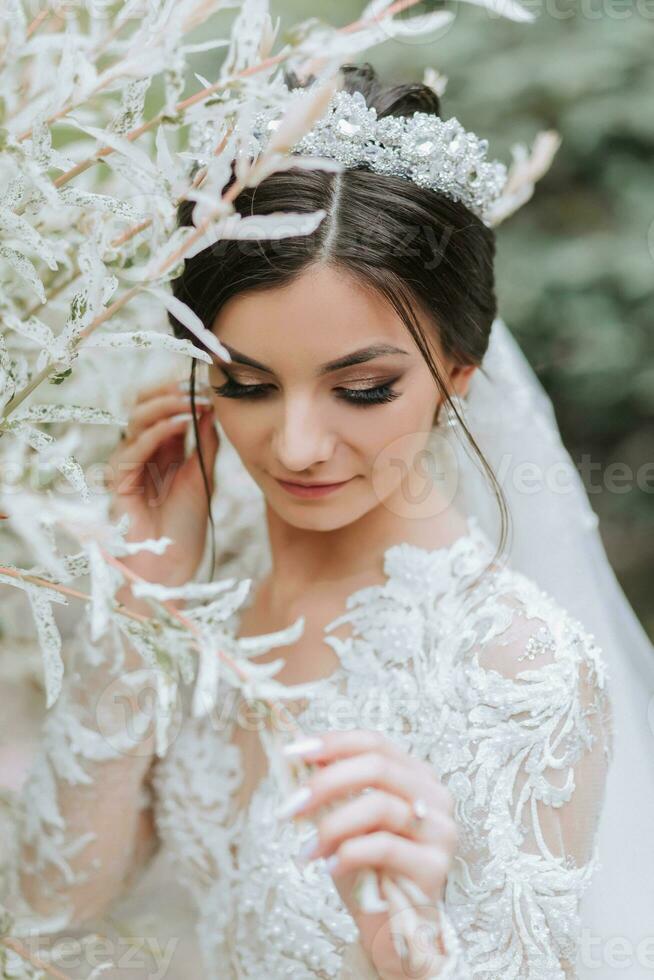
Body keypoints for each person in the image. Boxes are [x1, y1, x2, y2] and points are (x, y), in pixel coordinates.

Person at [5, 62, 649, 980]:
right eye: (248, 383)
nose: (299, 446)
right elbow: (44, 913)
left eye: (361, 389)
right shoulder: (203, 598)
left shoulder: (520, 670)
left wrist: (410, 958)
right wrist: (142, 608)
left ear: (457, 375)